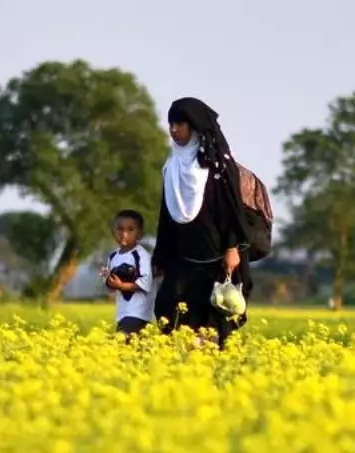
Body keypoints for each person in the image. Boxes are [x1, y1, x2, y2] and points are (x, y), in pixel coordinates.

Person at [152, 97, 253, 349]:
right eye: (171, 124)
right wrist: (160, 257)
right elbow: (166, 218)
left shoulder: (218, 166)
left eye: (180, 124)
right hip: (182, 260)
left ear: (195, 126)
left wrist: (232, 248)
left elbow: (230, 209)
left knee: (215, 322)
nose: (174, 130)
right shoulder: (172, 166)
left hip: (216, 261)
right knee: (170, 313)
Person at [100, 209, 154, 338]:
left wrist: (121, 285)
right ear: (113, 232)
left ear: (140, 234)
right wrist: (107, 278)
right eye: (120, 229)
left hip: (138, 314)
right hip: (122, 314)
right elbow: (111, 288)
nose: (124, 234)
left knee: (121, 344)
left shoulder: (141, 256)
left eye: (130, 230)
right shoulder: (113, 256)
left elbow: (145, 283)